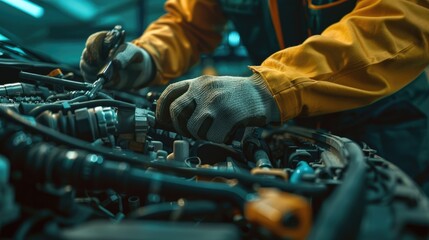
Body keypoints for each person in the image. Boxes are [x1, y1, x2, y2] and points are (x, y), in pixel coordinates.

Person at [80, 0, 429, 192]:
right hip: (292, 121)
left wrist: (272, 87)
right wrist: (147, 57)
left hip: (388, 121)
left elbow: (402, 17)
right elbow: (188, 22)